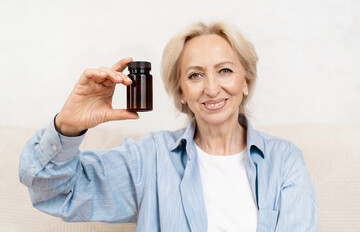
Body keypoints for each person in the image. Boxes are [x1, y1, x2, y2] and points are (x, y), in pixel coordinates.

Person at [19, 22, 318, 231]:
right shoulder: (150, 158)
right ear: (181, 93)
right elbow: (53, 191)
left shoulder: (284, 161)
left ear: (246, 83)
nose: (212, 88)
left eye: (225, 71)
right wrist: (67, 127)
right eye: (195, 75)